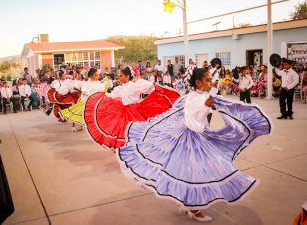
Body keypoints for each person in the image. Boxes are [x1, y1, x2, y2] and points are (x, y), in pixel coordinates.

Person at [117, 68, 272, 222]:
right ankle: (194, 208)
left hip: (190, 134)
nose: (211, 83)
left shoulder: (194, 95)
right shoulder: (201, 99)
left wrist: (211, 101)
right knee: (197, 172)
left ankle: (187, 204)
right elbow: (194, 122)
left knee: (187, 171)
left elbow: (201, 108)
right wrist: (209, 106)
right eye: (208, 80)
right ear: (198, 82)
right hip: (193, 137)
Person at [83, 67, 179, 149]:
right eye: (119, 76)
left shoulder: (135, 85)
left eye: (121, 76)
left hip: (135, 111)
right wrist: (96, 97)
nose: (119, 78)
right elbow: (109, 95)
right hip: (123, 112)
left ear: (127, 76)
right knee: (123, 132)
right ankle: (128, 149)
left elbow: (151, 88)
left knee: (137, 132)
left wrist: (158, 91)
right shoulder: (119, 88)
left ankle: (139, 149)